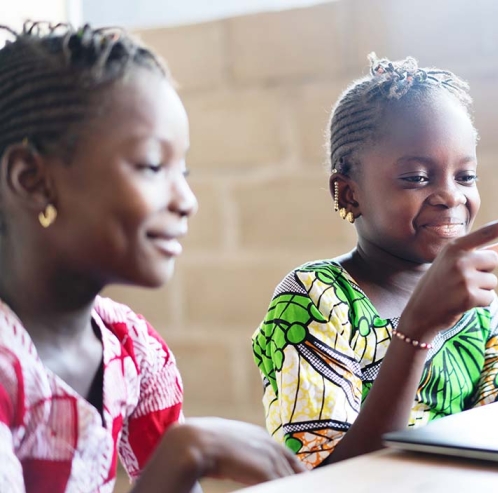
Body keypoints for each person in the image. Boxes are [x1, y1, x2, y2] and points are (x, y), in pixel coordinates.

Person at [0, 22, 304, 492]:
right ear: (32, 180)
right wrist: (187, 453)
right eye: (151, 166)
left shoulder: (132, 348)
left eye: (183, 170)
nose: (187, 200)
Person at [252, 53, 498, 469]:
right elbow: (322, 480)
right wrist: (417, 329)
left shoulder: (483, 311)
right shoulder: (316, 299)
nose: (451, 196)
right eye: (418, 177)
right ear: (349, 194)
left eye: (465, 176)